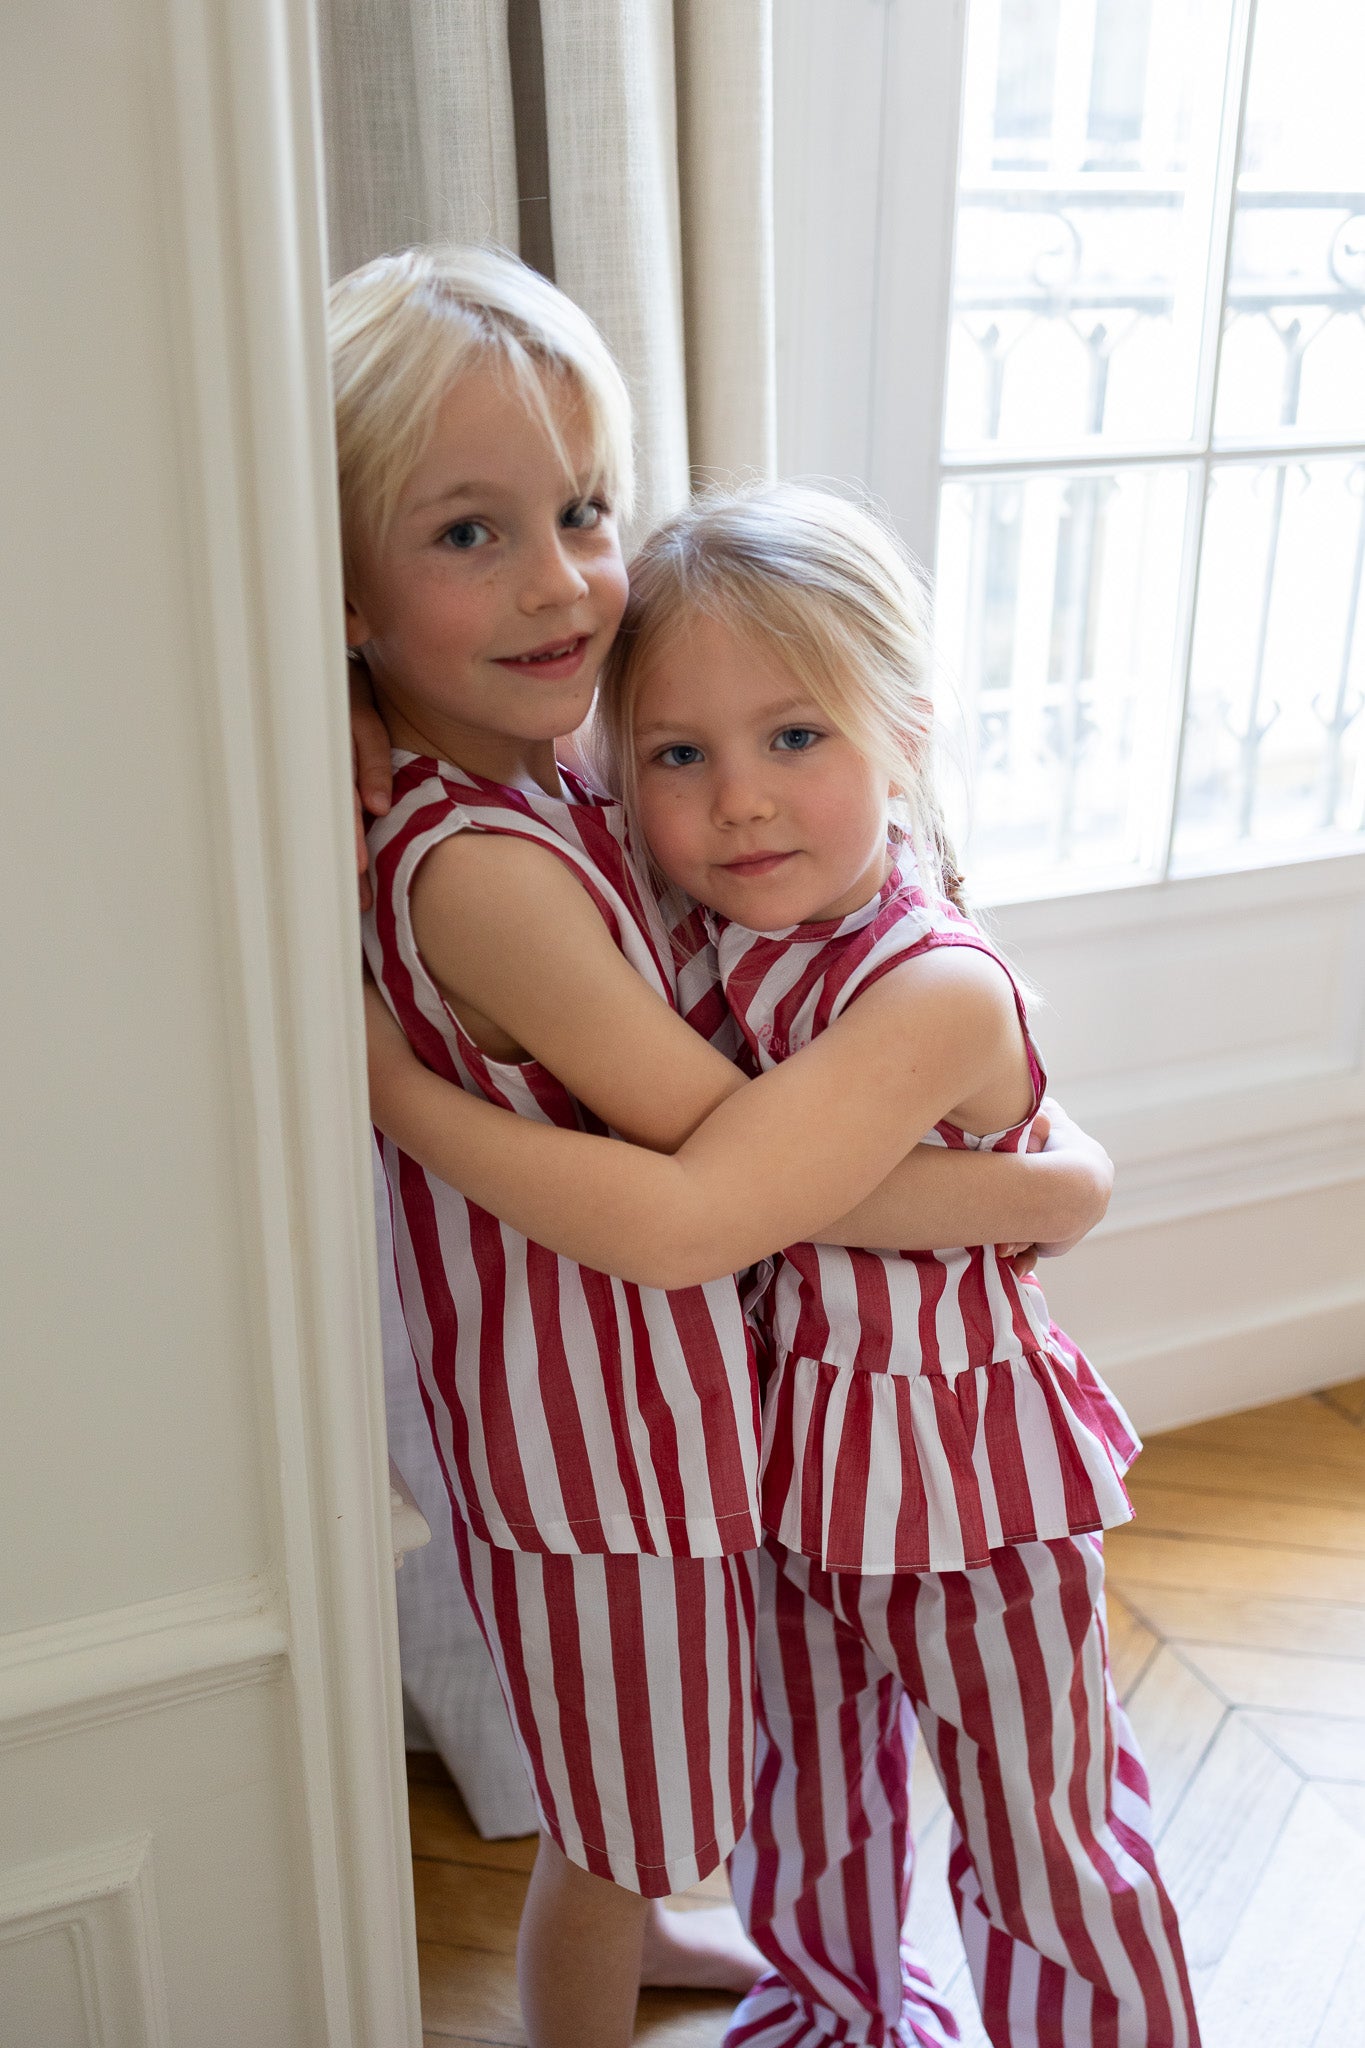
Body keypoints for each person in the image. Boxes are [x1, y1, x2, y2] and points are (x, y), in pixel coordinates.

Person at [363, 482, 1198, 2046]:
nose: (738, 801)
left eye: (795, 737)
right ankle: (834, 2014)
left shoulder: (931, 989)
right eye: (678, 755)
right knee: (808, 1803)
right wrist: (362, 709)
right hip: (785, 1476)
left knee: (1042, 1829)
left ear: (902, 736)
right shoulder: (688, 924)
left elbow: (724, 1201)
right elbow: (455, 729)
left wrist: (395, 1093)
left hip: (965, 1486)